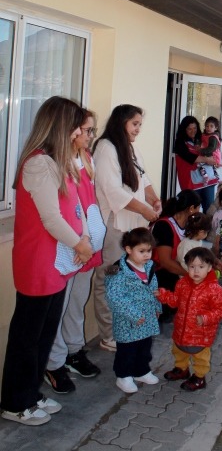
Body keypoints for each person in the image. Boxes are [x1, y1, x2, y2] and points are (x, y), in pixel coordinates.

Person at [0, 97, 94, 426]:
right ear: (61, 126)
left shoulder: (59, 161)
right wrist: (80, 244)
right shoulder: (38, 164)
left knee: (44, 334)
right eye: (77, 127)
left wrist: (83, 240)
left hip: (57, 262)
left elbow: (75, 208)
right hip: (39, 262)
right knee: (27, 337)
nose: (80, 133)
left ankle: (31, 392)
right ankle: (14, 402)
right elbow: (51, 219)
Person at [45, 109, 105, 394]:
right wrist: (79, 243)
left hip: (88, 246)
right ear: (72, 130)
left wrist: (90, 242)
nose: (90, 135)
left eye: (92, 130)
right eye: (87, 130)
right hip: (71, 246)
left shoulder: (86, 158)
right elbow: (64, 209)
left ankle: (73, 350)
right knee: (59, 307)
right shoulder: (57, 161)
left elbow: (90, 201)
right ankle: (54, 362)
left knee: (77, 302)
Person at [93, 105, 162, 353]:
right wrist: (144, 210)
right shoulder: (106, 148)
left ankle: (127, 327)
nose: (138, 129)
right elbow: (113, 191)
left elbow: (143, 179)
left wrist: (153, 199)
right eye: (135, 124)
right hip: (115, 224)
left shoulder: (129, 147)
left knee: (128, 278)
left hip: (132, 224)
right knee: (109, 279)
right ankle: (108, 334)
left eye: (140, 124)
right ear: (121, 122)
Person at [158, 247, 222, 391]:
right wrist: (163, 295)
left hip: (200, 334)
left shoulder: (214, 289)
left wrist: (206, 318)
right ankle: (181, 369)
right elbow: (175, 301)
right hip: (181, 329)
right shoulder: (182, 283)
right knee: (179, 350)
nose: (196, 271)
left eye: (201, 267)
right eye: (192, 267)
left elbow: (220, 310)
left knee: (200, 357)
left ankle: (199, 377)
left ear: (209, 268)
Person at [104, 228, 161, 394]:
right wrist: (134, 315)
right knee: (127, 350)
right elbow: (115, 298)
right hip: (128, 322)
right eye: (141, 251)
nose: (146, 255)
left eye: (149, 251)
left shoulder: (149, 266)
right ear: (128, 249)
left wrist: (157, 307)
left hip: (147, 318)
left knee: (144, 347)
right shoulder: (119, 272)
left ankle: (141, 371)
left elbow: (154, 289)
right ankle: (123, 376)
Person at [152, 190, 202, 320]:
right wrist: (190, 276)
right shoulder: (164, 226)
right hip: (161, 275)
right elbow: (165, 262)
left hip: (178, 272)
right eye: (198, 208)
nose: (199, 211)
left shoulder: (190, 225)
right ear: (191, 209)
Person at [174, 115, 218, 213]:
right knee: (191, 211)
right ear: (184, 129)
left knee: (209, 211)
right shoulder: (180, 143)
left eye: (195, 128)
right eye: (189, 129)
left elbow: (213, 151)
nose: (193, 131)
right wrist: (207, 160)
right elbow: (189, 157)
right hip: (191, 183)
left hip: (208, 181)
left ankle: (207, 224)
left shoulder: (202, 139)